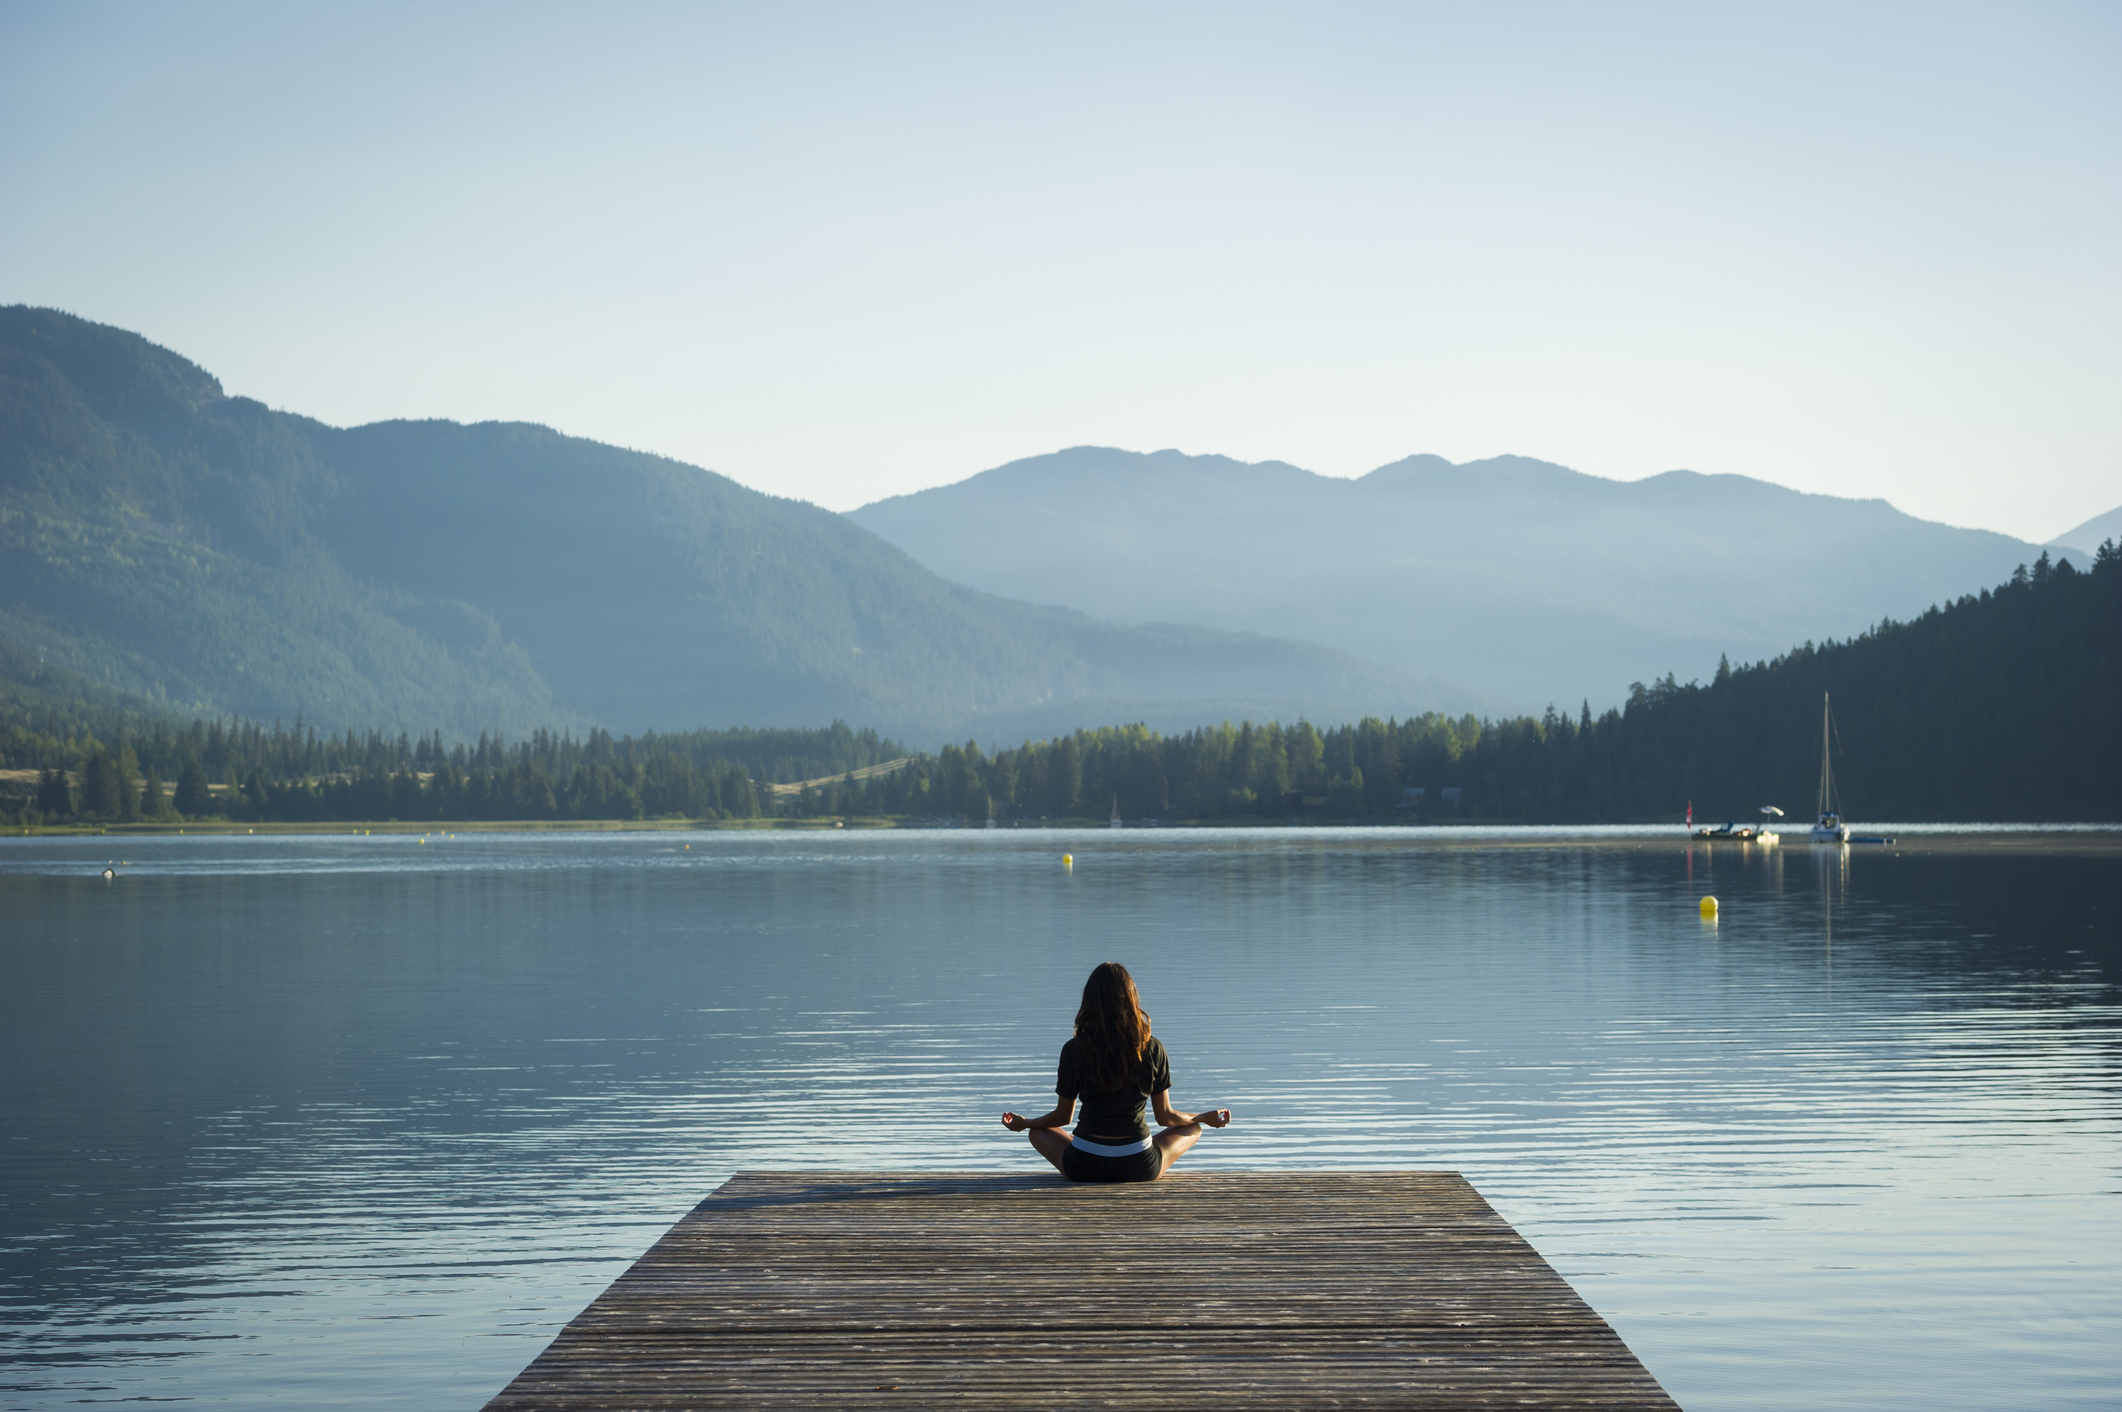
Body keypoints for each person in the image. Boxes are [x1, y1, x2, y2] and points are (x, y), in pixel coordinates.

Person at [1001, 961, 1230, 1182]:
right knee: (1194, 1127)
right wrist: (1205, 1118)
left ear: (1089, 1001)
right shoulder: (1152, 1048)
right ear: (1131, 999)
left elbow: (1063, 1117)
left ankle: (1082, 1148)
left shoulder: (1074, 1049)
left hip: (1083, 1165)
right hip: (1139, 1165)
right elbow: (1165, 1117)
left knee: (1037, 1132)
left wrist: (1026, 1123)